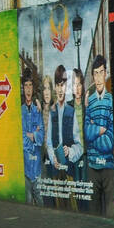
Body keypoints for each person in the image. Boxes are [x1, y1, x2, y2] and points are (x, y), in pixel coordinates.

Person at [85, 54, 114, 218]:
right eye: (95, 73)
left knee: (111, 212)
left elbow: (109, 142)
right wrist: (100, 129)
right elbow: (86, 133)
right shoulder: (89, 101)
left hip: (108, 167)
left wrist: (94, 130)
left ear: (106, 73)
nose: (98, 77)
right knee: (93, 213)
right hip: (92, 165)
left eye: (101, 72)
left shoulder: (111, 101)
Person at [45, 64, 76, 208]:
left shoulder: (72, 111)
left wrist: (71, 152)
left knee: (72, 205)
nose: (60, 89)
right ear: (55, 88)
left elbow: (79, 144)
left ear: (66, 87)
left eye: (63, 85)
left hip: (69, 167)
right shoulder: (52, 111)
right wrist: (53, 158)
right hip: (56, 168)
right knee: (59, 206)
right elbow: (49, 142)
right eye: (57, 85)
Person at [21, 73, 44, 206]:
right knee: (28, 202)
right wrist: (33, 138)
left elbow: (40, 137)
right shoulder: (21, 110)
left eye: (30, 85)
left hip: (37, 168)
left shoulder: (37, 109)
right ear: (23, 89)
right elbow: (22, 137)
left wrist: (33, 136)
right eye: (26, 86)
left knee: (40, 202)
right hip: (26, 168)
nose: (28, 89)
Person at [70, 67, 89, 212]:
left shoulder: (86, 105)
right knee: (76, 185)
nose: (77, 88)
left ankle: (87, 212)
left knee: (86, 186)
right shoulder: (69, 107)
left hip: (87, 153)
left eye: (79, 84)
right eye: (74, 85)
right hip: (74, 153)